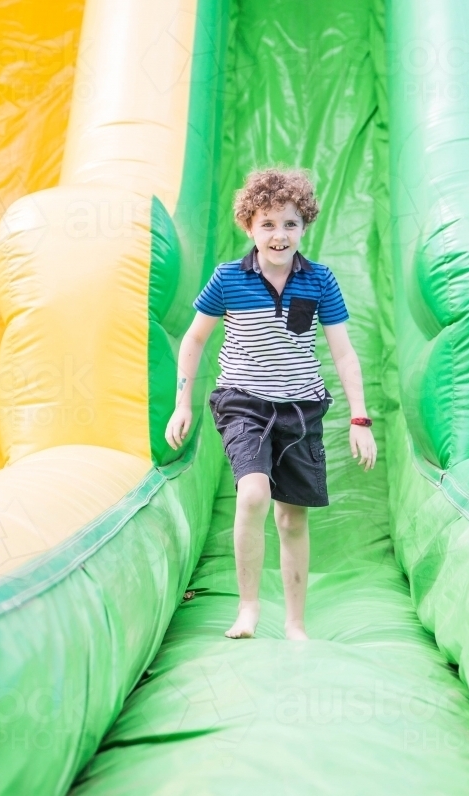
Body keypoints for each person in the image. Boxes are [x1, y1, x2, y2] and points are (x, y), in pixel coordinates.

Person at [164, 168, 377, 641]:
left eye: (290, 224)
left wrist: (360, 418)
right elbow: (194, 340)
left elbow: (343, 352)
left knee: (290, 516)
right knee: (254, 493)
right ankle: (248, 608)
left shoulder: (319, 280)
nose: (279, 235)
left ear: (304, 227)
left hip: (300, 408)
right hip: (244, 402)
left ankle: (296, 623)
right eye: (268, 224)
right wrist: (184, 404)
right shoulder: (227, 279)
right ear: (249, 227)